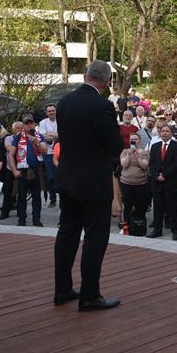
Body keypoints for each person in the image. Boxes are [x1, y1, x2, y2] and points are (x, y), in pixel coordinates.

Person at [53, 60, 123, 312]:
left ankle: (62, 289)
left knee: (67, 233)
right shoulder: (102, 106)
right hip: (93, 182)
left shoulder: (64, 102)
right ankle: (90, 295)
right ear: (106, 82)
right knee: (95, 238)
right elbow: (115, 145)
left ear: (86, 75)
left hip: (67, 178)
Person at [8, 115, 47, 227]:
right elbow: (10, 155)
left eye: (31, 123)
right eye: (27, 123)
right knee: (21, 196)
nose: (29, 125)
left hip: (36, 170)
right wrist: (14, 170)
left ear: (34, 124)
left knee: (37, 196)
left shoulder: (39, 136)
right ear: (23, 126)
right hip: (23, 171)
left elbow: (44, 151)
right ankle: (21, 219)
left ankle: (36, 219)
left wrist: (36, 142)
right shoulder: (18, 137)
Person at [148, 124, 177, 239]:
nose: (165, 133)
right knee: (157, 208)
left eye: (167, 131)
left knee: (172, 208)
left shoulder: (176, 146)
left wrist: (164, 175)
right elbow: (151, 164)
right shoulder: (155, 146)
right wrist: (156, 176)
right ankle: (157, 230)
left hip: (170, 182)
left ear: (171, 133)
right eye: (163, 131)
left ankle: (175, 230)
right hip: (157, 182)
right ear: (160, 133)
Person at [118, 132, 150, 234]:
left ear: (139, 141)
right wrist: (130, 153)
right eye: (132, 139)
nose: (134, 141)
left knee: (140, 206)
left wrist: (138, 156)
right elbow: (124, 165)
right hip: (126, 183)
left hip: (140, 183)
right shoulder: (125, 151)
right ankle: (125, 227)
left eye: (136, 139)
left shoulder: (144, 152)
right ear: (129, 141)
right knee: (127, 206)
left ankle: (138, 226)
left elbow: (144, 166)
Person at [38, 103, 59, 208]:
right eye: (49, 111)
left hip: (60, 152)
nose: (51, 112)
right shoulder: (43, 123)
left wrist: (50, 135)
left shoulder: (61, 120)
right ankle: (53, 199)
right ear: (46, 113)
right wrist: (56, 136)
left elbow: (64, 134)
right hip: (48, 153)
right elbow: (43, 137)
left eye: (53, 110)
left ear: (56, 111)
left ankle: (63, 199)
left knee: (60, 176)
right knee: (50, 177)